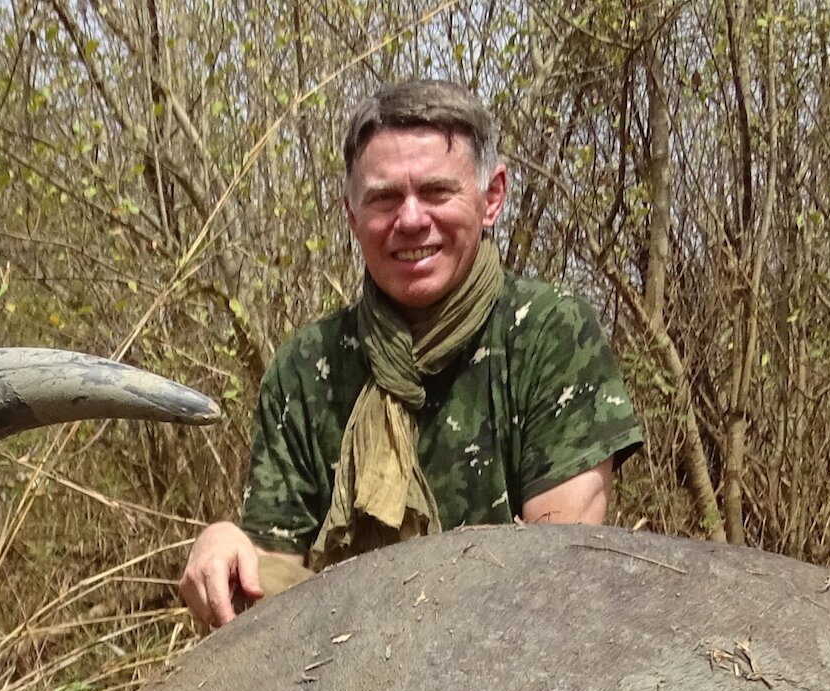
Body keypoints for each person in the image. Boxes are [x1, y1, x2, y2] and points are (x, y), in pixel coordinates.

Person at [178, 79, 645, 630]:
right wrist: (229, 548)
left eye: (436, 192)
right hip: (342, 675)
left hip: (511, 665)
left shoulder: (550, 334)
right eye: (383, 198)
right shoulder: (304, 367)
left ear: (491, 197)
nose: (411, 219)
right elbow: (275, 585)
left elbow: (555, 580)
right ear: (352, 214)